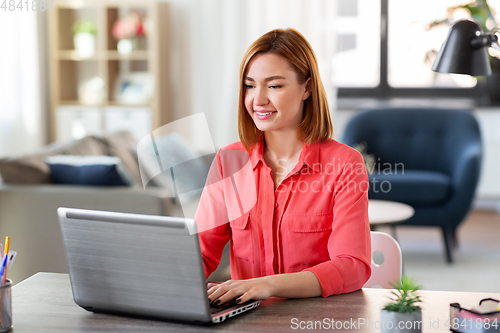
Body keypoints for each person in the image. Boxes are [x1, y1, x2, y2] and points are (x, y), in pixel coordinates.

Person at [194, 28, 371, 306]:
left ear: (307, 88)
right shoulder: (229, 161)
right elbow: (200, 254)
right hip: (246, 320)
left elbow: (352, 266)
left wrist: (268, 285)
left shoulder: (345, 163)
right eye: (250, 85)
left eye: (274, 86)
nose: (258, 99)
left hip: (316, 318)